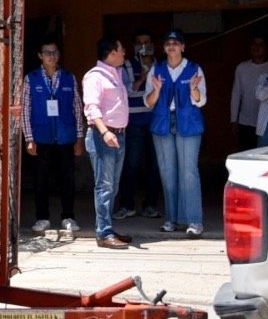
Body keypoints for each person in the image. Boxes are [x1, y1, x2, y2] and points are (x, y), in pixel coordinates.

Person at [146, 30, 207, 237]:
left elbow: (201, 100)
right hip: (163, 123)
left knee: (189, 171)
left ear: (183, 46)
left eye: (175, 43)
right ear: (164, 48)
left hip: (188, 123)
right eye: (168, 43)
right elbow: (148, 102)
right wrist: (156, 90)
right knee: (167, 171)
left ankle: (194, 220)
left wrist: (193, 89)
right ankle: (171, 219)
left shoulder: (194, 68)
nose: (171, 46)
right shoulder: (156, 69)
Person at [20, 41, 83, 238]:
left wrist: (79, 137)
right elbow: (25, 109)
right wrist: (29, 137)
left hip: (65, 136)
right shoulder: (31, 79)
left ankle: (68, 216)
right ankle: (42, 217)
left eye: (54, 52)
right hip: (41, 136)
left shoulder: (68, 78)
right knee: (41, 179)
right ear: (40, 55)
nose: (51, 56)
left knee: (67, 178)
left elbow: (77, 108)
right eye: (47, 52)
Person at [81, 37, 132, 250]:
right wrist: (104, 132)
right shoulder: (95, 76)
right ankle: (104, 232)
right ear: (112, 53)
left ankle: (107, 227)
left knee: (113, 186)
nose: (124, 53)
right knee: (105, 186)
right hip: (103, 135)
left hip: (118, 135)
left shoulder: (116, 74)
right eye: (121, 49)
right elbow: (91, 107)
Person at [115, 30, 162, 218]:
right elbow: (126, 91)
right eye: (139, 42)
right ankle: (127, 205)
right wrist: (142, 78)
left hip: (155, 121)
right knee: (131, 164)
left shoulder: (160, 65)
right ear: (134, 46)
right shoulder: (126, 65)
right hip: (134, 121)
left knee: (154, 165)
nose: (143, 46)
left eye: (147, 42)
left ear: (152, 44)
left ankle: (150, 205)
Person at [230, 36, 268, 151]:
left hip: (266, 122)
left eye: (260, 45)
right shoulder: (241, 68)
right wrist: (234, 119)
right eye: (254, 44)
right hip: (245, 121)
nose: (256, 47)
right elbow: (236, 94)